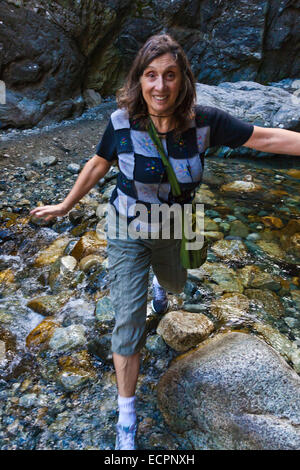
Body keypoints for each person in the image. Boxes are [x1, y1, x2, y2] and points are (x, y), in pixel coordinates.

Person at [30, 34, 300, 450]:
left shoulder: (205, 122)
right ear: (139, 80)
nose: (160, 86)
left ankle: (161, 284)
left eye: (169, 75)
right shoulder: (122, 121)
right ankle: (126, 416)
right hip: (126, 229)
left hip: (177, 224)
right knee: (129, 321)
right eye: (151, 75)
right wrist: (65, 206)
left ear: (183, 80)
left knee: (175, 285)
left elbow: (266, 139)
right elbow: (99, 164)